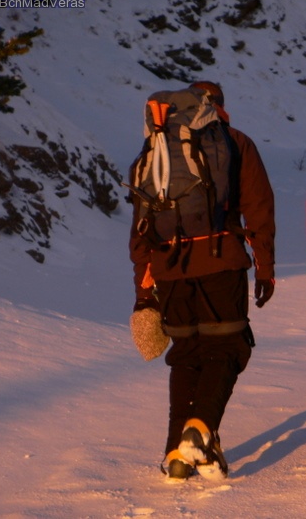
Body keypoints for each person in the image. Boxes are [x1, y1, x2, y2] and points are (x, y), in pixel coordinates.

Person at [129, 81, 276, 480]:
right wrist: (264, 268)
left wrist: (145, 292)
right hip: (220, 261)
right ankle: (200, 430)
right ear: (217, 107)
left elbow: (141, 229)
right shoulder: (234, 143)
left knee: (187, 354)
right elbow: (258, 209)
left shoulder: (155, 149)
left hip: (169, 268)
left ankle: (177, 452)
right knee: (228, 348)